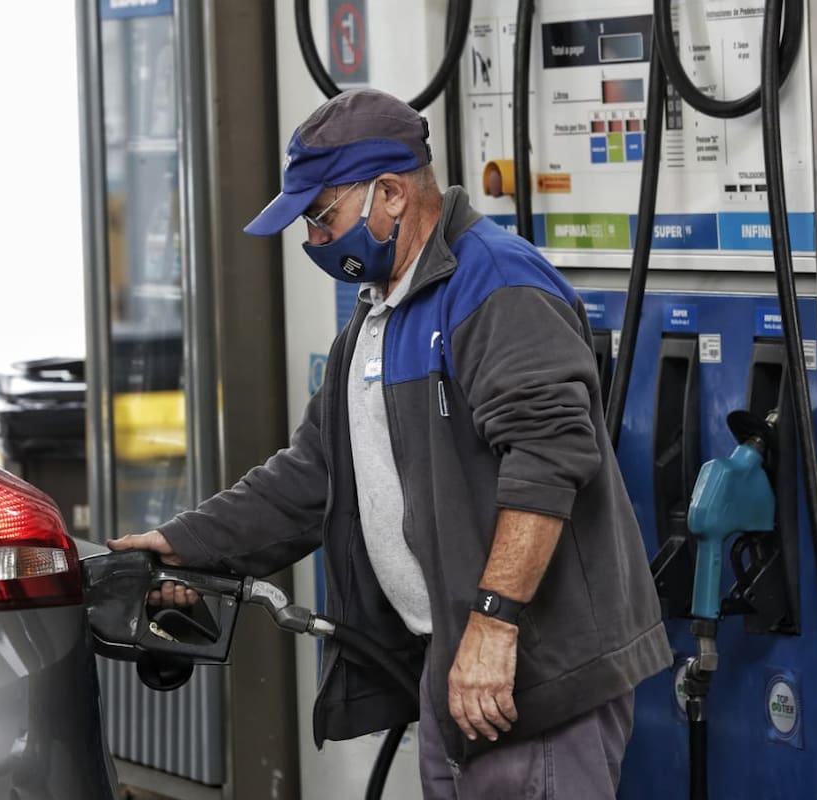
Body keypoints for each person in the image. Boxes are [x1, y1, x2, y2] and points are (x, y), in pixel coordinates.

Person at [109, 87, 669, 799]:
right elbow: (311, 474)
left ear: (392, 194)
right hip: (453, 669)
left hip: (528, 673)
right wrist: (182, 543)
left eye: (321, 217)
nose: (312, 240)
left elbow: (550, 455)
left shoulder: (494, 286)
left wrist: (494, 627)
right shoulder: (381, 315)